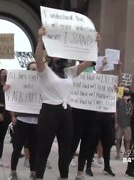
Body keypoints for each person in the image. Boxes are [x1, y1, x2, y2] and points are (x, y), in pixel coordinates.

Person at [34, 27, 92, 180]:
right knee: (44, 148)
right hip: (49, 112)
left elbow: (88, 62)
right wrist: (40, 40)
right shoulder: (45, 70)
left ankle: (64, 177)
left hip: (66, 113)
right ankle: (39, 176)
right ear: (52, 56)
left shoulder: (69, 72)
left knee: (65, 149)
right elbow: (38, 58)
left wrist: (94, 43)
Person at [6, 62, 39, 180]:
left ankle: (33, 172)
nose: (34, 70)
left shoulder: (43, 82)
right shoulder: (21, 83)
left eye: (36, 68)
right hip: (22, 120)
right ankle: (13, 172)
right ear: (27, 70)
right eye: (32, 69)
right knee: (17, 148)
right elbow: (11, 95)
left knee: (34, 149)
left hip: (36, 121)